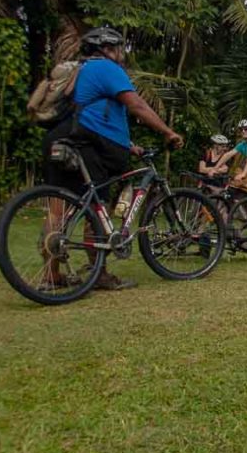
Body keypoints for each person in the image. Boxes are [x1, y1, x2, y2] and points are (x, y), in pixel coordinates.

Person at [42, 26, 183, 290]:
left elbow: (92, 113)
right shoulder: (107, 69)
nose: (122, 54)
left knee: (58, 206)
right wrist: (168, 132)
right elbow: (136, 105)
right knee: (99, 206)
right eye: (119, 48)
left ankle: (50, 276)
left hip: (63, 138)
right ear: (107, 49)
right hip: (92, 144)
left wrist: (130, 146)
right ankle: (100, 274)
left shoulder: (81, 71)